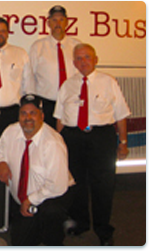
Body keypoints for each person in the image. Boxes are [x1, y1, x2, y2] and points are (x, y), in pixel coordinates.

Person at [54, 44, 130, 246]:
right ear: (73, 63)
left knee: (103, 185)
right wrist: (57, 146)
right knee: (75, 184)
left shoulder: (108, 81)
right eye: (78, 58)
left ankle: (103, 229)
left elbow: (121, 115)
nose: (83, 61)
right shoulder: (67, 85)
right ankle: (80, 223)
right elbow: (60, 119)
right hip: (73, 137)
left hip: (101, 137)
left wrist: (123, 143)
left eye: (87, 57)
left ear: (95, 59)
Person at [0, 94, 75, 246]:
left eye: (33, 113)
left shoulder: (52, 143)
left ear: (42, 116)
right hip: (23, 198)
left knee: (51, 215)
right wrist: (2, 162)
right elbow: (0, 149)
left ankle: (54, 239)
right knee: (20, 243)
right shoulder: (11, 131)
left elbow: (57, 186)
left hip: (52, 196)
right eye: (24, 113)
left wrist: (31, 200)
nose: (28, 118)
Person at [29, 5, 81, 128]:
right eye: (54, 20)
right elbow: (30, 76)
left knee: (70, 140)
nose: (58, 23)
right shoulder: (38, 47)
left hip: (71, 102)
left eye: (61, 20)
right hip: (47, 104)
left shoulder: (77, 46)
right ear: (48, 23)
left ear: (67, 22)